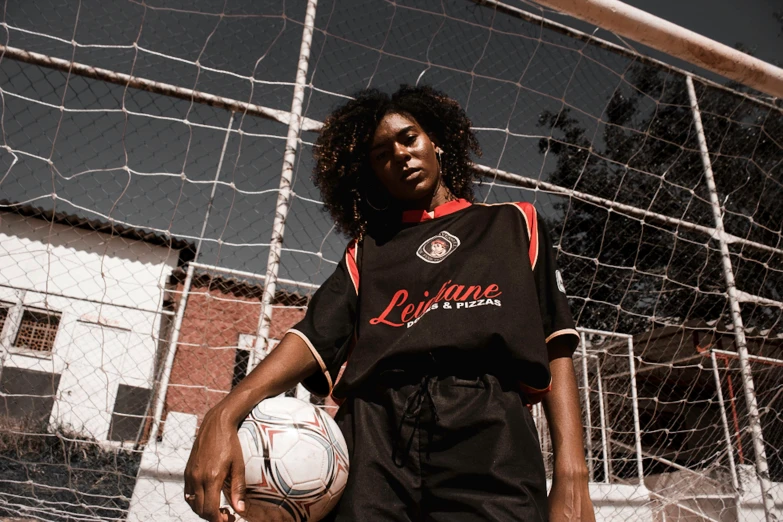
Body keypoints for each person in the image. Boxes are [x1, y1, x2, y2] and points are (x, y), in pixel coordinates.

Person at [184, 85, 596, 522]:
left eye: (408, 138)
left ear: (435, 140)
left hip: (489, 428)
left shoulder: (514, 222)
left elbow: (555, 345)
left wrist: (572, 476)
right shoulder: (369, 249)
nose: (400, 155)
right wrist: (225, 411)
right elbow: (312, 337)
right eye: (382, 154)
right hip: (375, 434)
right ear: (373, 175)